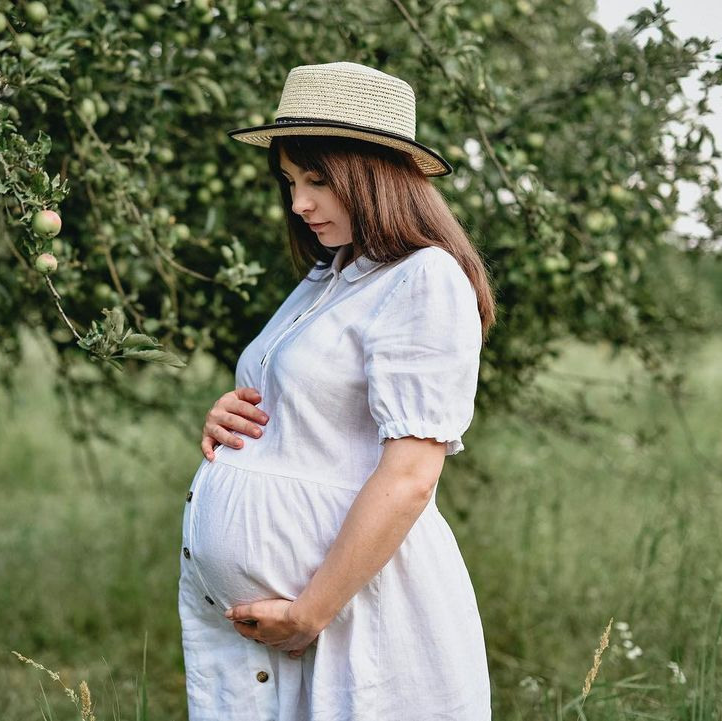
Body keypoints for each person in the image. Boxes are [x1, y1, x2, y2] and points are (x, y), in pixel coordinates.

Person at [179, 61, 497, 720]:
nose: (299, 203)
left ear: (373, 174)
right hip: (283, 632)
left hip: (357, 615)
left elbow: (412, 475)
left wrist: (309, 611)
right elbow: (303, 411)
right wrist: (230, 418)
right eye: (291, 182)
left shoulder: (425, 278)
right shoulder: (330, 277)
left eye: (318, 181)